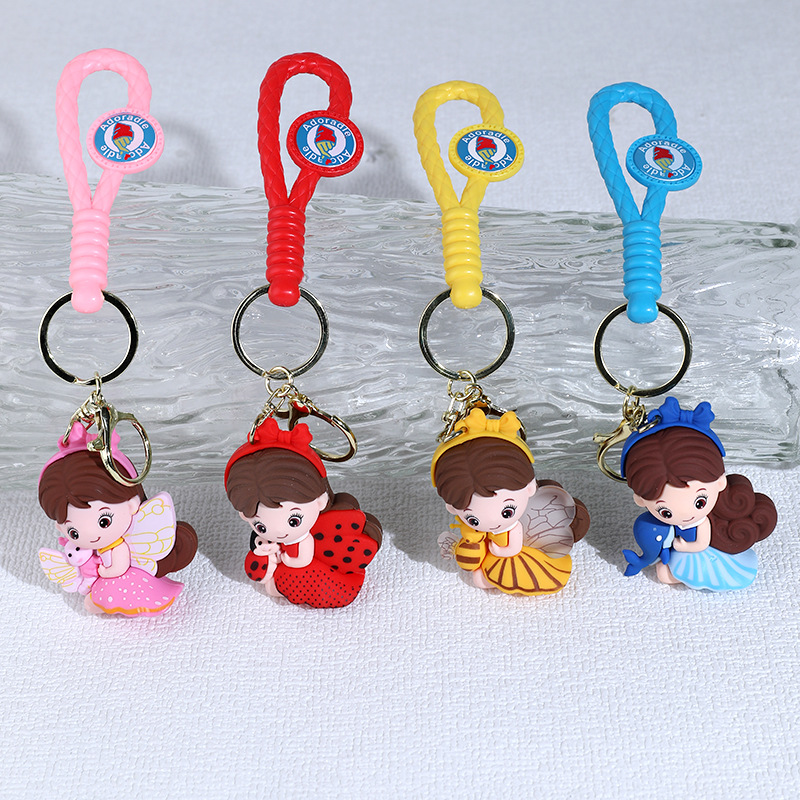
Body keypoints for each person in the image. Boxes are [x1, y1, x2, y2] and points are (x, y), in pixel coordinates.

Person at [38, 423, 197, 616]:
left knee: (109, 597)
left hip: (122, 576)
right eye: (74, 532)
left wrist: (105, 572)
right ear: (60, 528)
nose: (92, 535)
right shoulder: (87, 550)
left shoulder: (119, 547)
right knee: (94, 600)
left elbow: (119, 566)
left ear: (132, 504)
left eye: (104, 522)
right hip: (104, 576)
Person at [621, 396, 777, 591]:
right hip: (681, 553)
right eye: (666, 512)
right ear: (640, 500)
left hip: (698, 556)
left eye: (699, 503)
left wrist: (684, 547)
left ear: (720, 482)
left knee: (675, 572)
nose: (686, 515)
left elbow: (702, 544)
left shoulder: (703, 523)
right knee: (663, 572)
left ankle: (688, 576)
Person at [225, 418, 382, 608]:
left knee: (287, 580)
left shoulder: (305, 540)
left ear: (320, 501)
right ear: (244, 516)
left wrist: (283, 558)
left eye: (294, 521)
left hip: (308, 573)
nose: (279, 532)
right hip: (294, 571)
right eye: (261, 526)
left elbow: (302, 560)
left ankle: (283, 586)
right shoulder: (268, 541)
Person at [432, 409, 589, 596]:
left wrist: (497, 550)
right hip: (494, 556)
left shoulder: (514, 528)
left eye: (507, 512)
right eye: (473, 520)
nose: (493, 522)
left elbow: (513, 547)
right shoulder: (478, 532)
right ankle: (490, 577)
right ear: (451, 508)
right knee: (479, 578)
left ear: (529, 487)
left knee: (505, 575)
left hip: (513, 557)